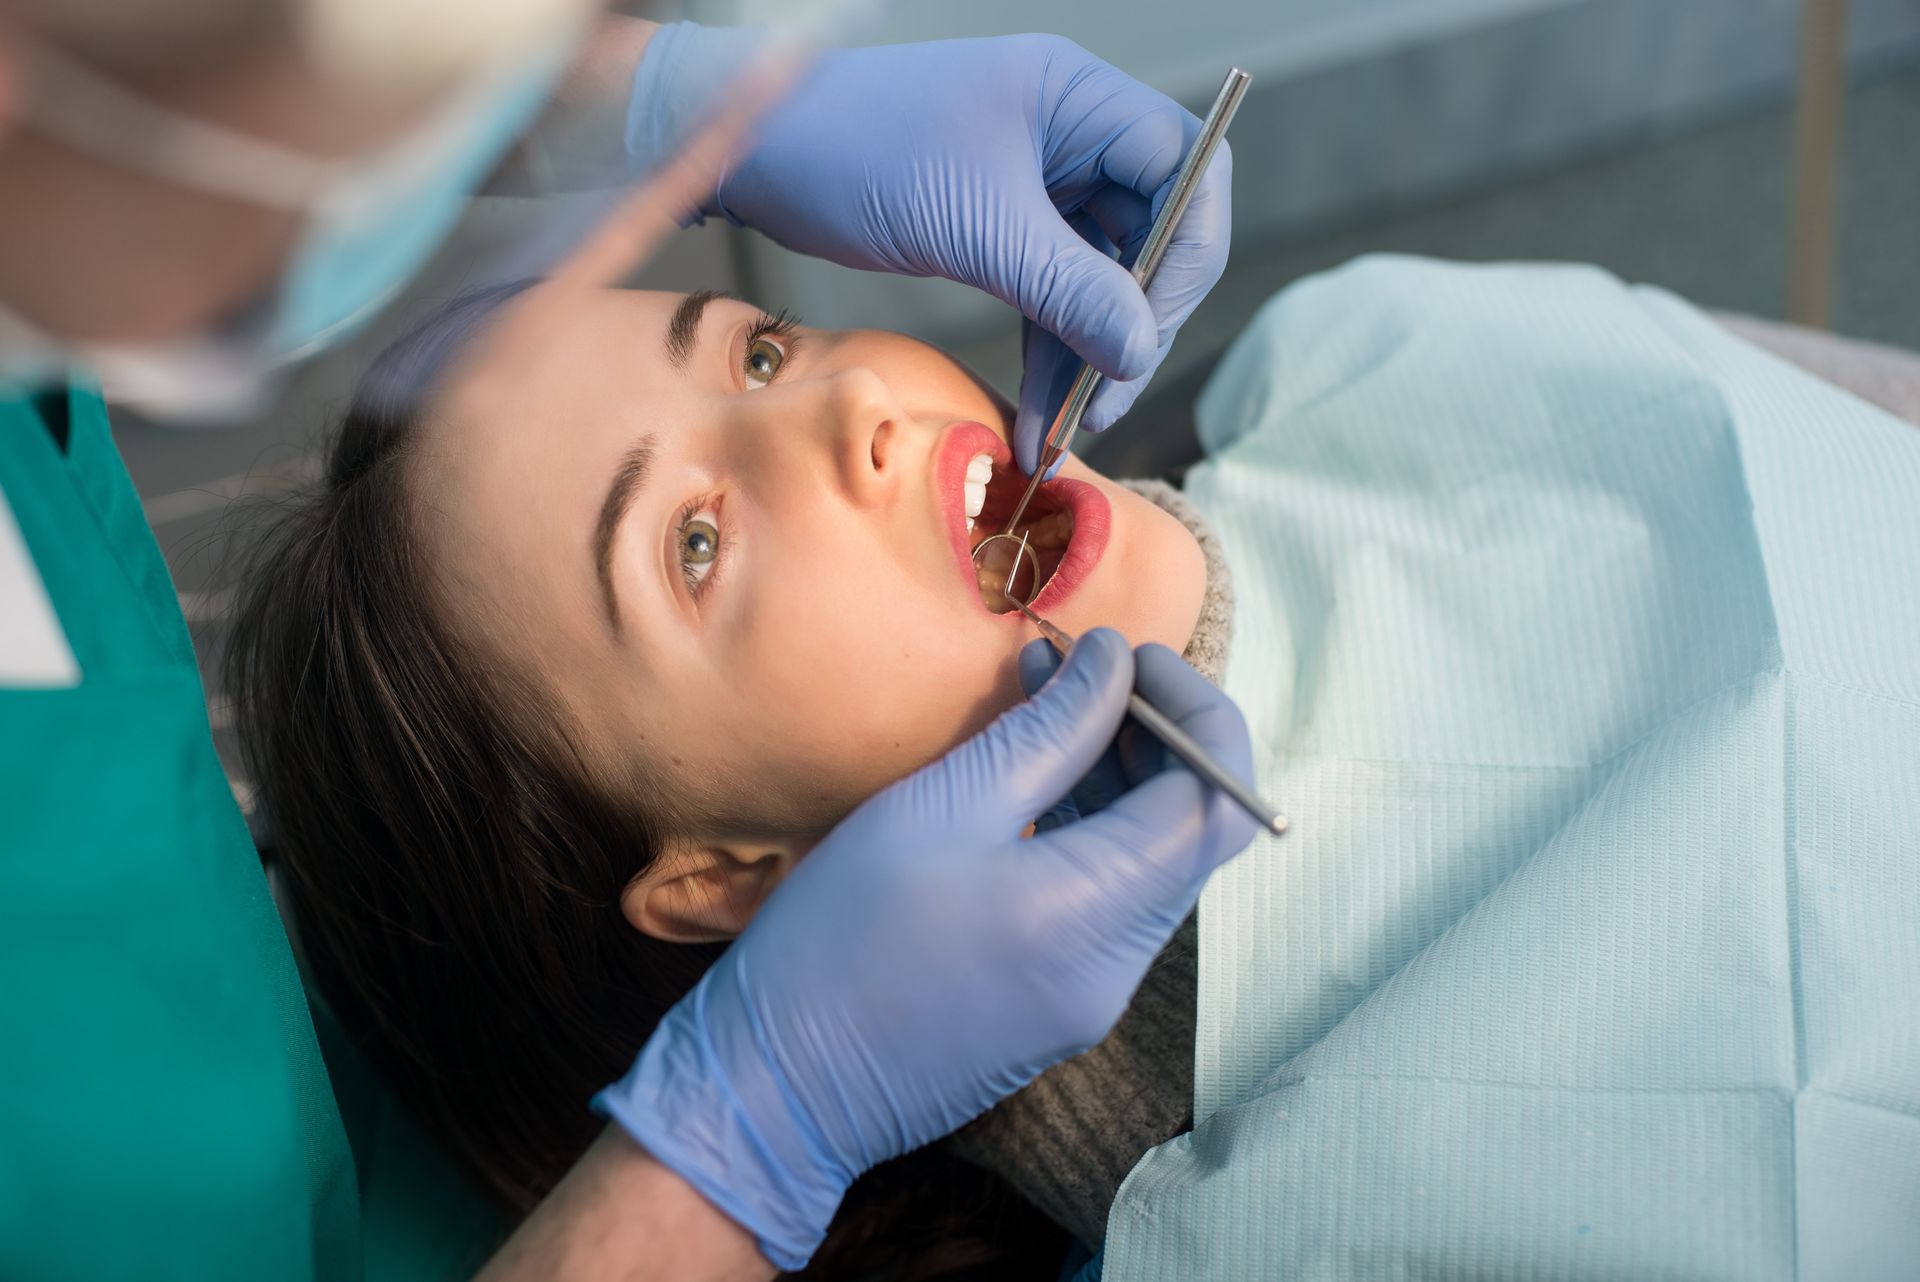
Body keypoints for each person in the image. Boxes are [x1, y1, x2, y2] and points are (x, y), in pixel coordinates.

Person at [0, 4, 1254, 1279]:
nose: (858, 401)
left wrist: (672, 104)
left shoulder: (1348, 362)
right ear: (732, 880)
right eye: (693, 545)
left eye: (760, 354)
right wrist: (761, 1119)